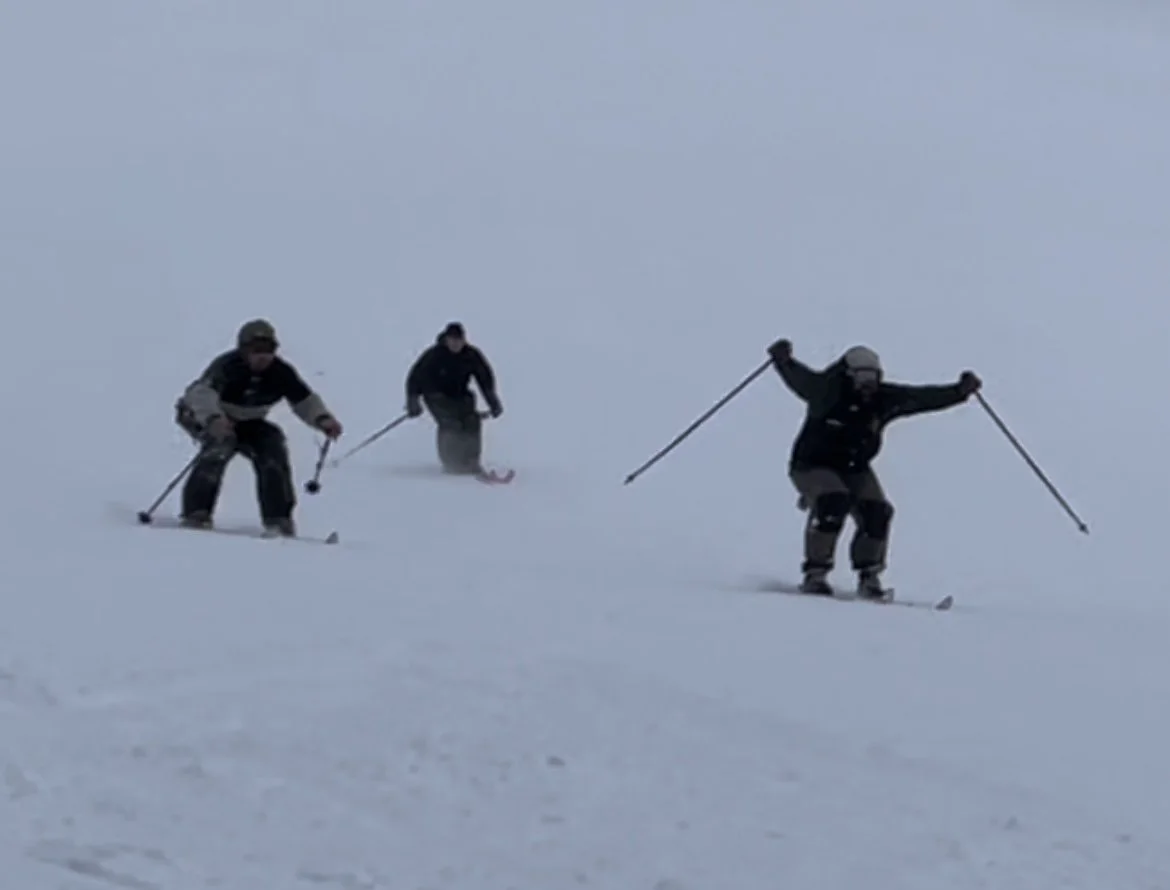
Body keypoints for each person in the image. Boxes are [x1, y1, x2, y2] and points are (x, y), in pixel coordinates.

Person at [768, 338, 981, 598]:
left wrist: (958, 392)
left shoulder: (883, 399)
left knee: (877, 511)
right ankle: (816, 573)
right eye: (861, 377)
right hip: (812, 465)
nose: (868, 384)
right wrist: (783, 361)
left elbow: (921, 397)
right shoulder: (825, 390)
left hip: (855, 468)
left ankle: (869, 576)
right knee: (833, 501)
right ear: (847, 375)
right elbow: (798, 377)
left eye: (873, 377)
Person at [173, 319, 343, 535]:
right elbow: (200, 395)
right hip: (202, 414)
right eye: (256, 350)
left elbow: (304, 400)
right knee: (219, 447)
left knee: (272, 446)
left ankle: (279, 519)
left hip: (248, 421)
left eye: (269, 349)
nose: (263, 356)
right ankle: (196, 513)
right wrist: (214, 419)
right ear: (243, 350)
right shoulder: (226, 367)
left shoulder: (281, 373)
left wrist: (323, 419)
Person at [405, 322, 503, 475]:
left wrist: (493, 402)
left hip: (460, 396)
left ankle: (471, 461)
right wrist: (413, 402)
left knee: (472, 421)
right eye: (452, 340)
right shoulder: (434, 355)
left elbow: (485, 379)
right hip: (436, 396)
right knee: (450, 424)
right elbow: (414, 378)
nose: (456, 344)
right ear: (446, 340)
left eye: (459, 340)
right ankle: (451, 463)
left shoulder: (471, 356)